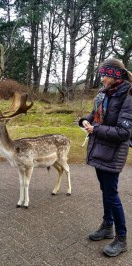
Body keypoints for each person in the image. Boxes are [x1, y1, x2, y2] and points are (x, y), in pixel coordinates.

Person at [79, 58, 132, 257]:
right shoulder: (103, 94)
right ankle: (107, 226)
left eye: (104, 75)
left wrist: (96, 128)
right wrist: (85, 121)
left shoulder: (127, 97)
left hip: (112, 153)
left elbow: (124, 132)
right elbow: (94, 115)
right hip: (99, 149)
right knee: (105, 190)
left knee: (112, 194)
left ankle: (122, 238)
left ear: (115, 75)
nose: (101, 78)